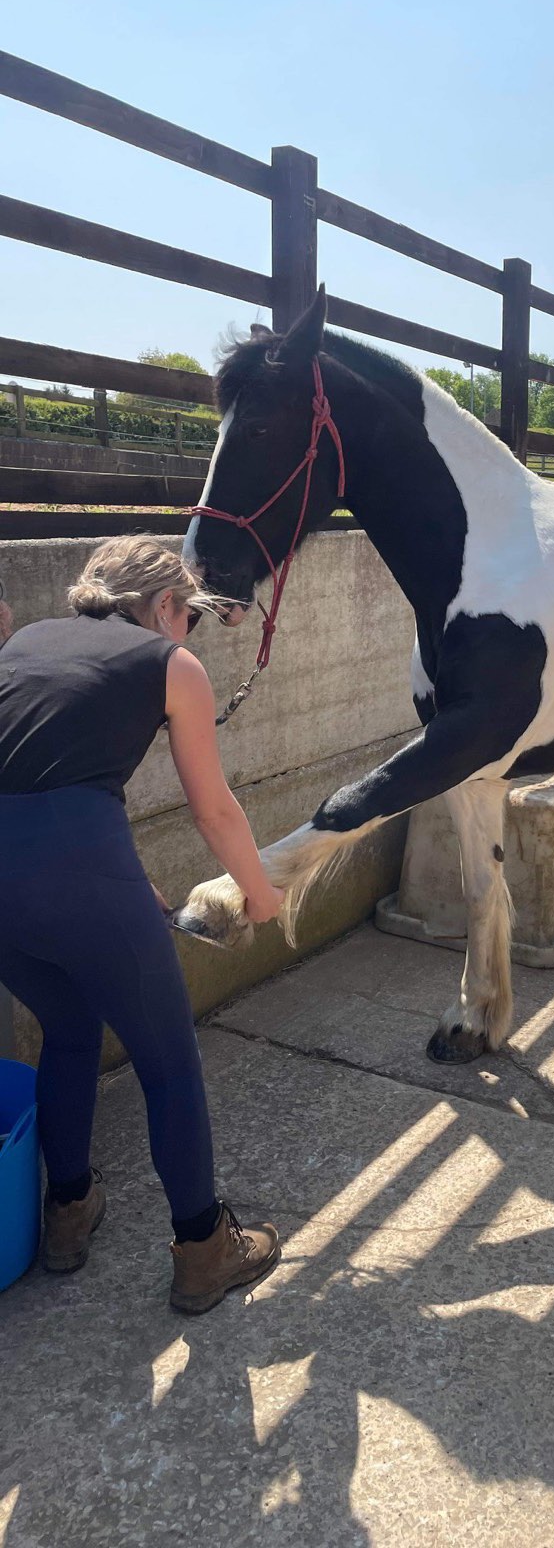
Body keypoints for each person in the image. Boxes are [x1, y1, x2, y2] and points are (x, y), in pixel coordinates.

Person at [0, 535, 285, 1314]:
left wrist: (126, 884)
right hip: (81, 875)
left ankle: (68, 1214)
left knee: (66, 1029)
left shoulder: (26, 641)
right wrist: (261, 895)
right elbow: (214, 810)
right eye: (186, 615)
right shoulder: (170, 664)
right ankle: (203, 1251)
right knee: (168, 1061)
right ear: (163, 606)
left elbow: (45, 779)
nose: (187, 630)